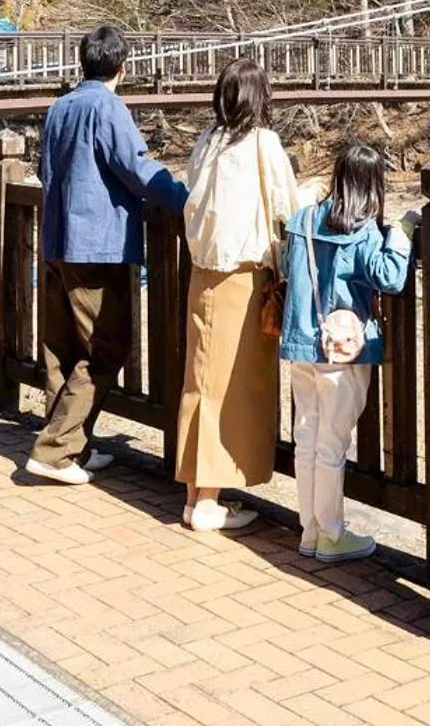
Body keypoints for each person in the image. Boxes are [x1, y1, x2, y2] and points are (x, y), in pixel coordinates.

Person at [27, 25, 187, 485]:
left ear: (84, 62)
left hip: (58, 238)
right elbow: (136, 168)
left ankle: (75, 444)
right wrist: (185, 198)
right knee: (105, 345)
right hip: (97, 245)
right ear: (123, 67)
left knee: (64, 350)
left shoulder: (60, 106)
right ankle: (55, 451)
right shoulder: (108, 106)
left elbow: (45, 170)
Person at [176, 57, 298, 532]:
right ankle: (206, 501)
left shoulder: (209, 140)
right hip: (242, 277)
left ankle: (198, 494)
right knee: (227, 386)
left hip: (203, 273)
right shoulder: (262, 144)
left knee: (200, 379)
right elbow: (285, 205)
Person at [277, 142, 412, 563]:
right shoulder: (365, 232)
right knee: (332, 444)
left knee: (307, 438)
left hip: (303, 344)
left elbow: (287, 269)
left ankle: (310, 531)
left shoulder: (303, 221)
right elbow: (390, 278)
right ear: (372, 186)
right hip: (344, 350)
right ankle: (331, 534)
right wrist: (403, 235)